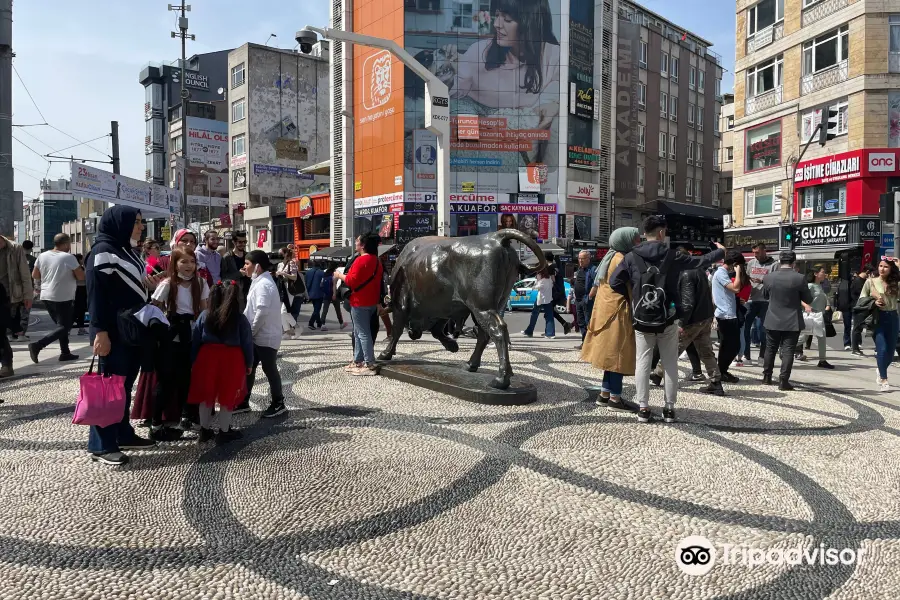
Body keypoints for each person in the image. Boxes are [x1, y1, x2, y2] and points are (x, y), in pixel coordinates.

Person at [609, 215, 724, 424]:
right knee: (670, 363)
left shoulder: (631, 256)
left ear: (645, 233)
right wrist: (720, 251)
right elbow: (700, 261)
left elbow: (614, 281)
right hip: (668, 318)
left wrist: (632, 298)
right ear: (661, 233)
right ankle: (669, 409)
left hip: (642, 319)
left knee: (642, 362)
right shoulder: (672, 256)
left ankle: (643, 408)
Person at [86, 206, 158, 465]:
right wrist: (99, 331)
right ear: (120, 223)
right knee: (109, 389)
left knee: (124, 387)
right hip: (112, 332)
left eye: (141, 222)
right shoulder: (102, 252)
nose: (141, 227)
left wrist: (148, 285)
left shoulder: (127, 249)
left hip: (132, 329)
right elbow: (96, 296)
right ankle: (101, 444)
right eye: (137, 222)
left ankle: (122, 432)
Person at [150, 248, 209, 438]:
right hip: (171, 336)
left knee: (188, 379)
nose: (188, 266)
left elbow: (204, 310)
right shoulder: (168, 284)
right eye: (183, 262)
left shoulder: (200, 282)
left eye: (191, 261)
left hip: (191, 335)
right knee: (166, 380)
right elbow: (155, 309)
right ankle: (156, 424)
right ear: (174, 264)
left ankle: (187, 416)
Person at [581, 227, 641, 412]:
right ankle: (615, 399)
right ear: (626, 240)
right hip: (618, 312)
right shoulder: (622, 259)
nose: (638, 242)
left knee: (610, 354)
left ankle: (604, 394)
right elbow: (631, 287)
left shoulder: (609, 257)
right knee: (618, 355)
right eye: (636, 239)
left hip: (605, 312)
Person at [651, 247, 723, 395]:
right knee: (706, 351)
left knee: (672, 349)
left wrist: (682, 323)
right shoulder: (699, 271)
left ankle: (658, 374)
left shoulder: (685, 274)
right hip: (705, 317)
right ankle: (716, 381)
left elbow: (688, 302)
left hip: (692, 320)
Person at [189, 280, 253, 444]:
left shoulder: (205, 315)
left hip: (206, 357)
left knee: (205, 396)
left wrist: (193, 360)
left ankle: (204, 430)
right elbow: (247, 343)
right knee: (228, 396)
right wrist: (249, 363)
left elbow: (195, 339)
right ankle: (224, 431)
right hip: (232, 359)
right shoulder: (239, 318)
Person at [240, 250, 287, 416]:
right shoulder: (259, 280)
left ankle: (278, 402)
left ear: (257, 267)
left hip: (265, 335)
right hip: (256, 335)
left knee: (269, 368)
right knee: (249, 368)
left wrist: (251, 331)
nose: (244, 267)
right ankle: (243, 401)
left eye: (247, 264)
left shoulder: (264, 284)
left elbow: (262, 311)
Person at [761, 251, 813, 391]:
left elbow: (765, 295)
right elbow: (808, 299)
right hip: (792, 320)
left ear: (779, 261)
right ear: (794, 262)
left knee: (770, 348)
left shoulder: (769, 277)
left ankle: (766, 377)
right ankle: (783, 381)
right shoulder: (799, 278)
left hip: (772, 318)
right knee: (788, 350)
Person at [28, 233, 81, 364]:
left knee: (60, 325)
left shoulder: (42, 255)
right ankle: (38, 345)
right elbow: (81, 276)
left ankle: (65, 352)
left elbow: (35, 274)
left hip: (46, 295)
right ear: (65, 244)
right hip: (62, 296)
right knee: (65, 326)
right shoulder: (69, 257)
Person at [335, 233, 383, 375]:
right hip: (371, 301)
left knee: (362, 333)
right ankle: (358, 360)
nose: (355, 242)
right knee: (358, 331)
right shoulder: (377, 261)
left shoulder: (360, 260)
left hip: (359, 301)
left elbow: (351, 281)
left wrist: (339, 275)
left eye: (357, 240)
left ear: (363, 245)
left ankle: (369, 364)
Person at [860, 258, 900, 391]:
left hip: (893, 317)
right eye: (880, 266)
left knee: (890, 351)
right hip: (878, 318)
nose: (882, 269)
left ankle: (880, 368)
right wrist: (874, 302)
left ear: (891, 269)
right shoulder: (870, 282)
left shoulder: (895, 283)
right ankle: (884, 378)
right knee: (881, 349)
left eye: (886, 267)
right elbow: (861, 300)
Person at [712, 250, 748, 383]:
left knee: (732, 346)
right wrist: (738, 272)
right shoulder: (721, 273)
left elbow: (727, 293)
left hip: (729, 314)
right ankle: (721, 371)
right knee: (729, 346)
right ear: (735, 264)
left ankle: (723, 370)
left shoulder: (723, 273)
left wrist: (737, 301)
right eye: (740, 266)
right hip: (725, 315)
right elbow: (735, 288)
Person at [742, 243, 777, 366]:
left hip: (766, 301)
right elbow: (746, 278)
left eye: (757, 252)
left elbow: (776, 282)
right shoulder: (751, 263)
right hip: (751, 300)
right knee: (746, 329)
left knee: (763, 330)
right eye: (754, 252)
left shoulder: (774, 264)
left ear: (764, 251)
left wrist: (762, 280)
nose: (755, 255)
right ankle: (747, 356)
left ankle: (762, 356)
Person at [797, 266, 834, 369]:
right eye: (823, 272)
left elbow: (823, 298)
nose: (825, 274)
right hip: (811, 315)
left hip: (819, 316)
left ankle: (822, 360)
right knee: (803, 337)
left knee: (821, 337)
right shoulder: (810, 286)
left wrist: (827, 306)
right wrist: (806, 306)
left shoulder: (819, 286)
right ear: (816, 274)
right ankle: (786, 348)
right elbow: (800, 298)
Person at [1, 235, 34, 343]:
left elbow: (25, 274)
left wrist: (28, 295)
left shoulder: (15, 248)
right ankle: (15, 332)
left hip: (11, 291)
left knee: (13, 315)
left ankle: (15, 333)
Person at [521, 267, 556, 338]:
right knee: (549, 317)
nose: (536, 275)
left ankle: (529, 331)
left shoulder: (542, 281)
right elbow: (551, 285)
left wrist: (537, 281)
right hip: (548, 300)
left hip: (540, 300)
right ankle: (550, 333)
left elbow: (535, 287)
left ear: (540, 274)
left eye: (537, 274)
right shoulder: (549, 280)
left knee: (534, 315)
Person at [276, 247, 301, 339]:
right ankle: (287, 332)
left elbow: (294, 277)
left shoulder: (292, 263)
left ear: (286, 254)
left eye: (280, 253)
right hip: (281, 289)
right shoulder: (279, 264)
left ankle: (297, 327)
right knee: (281, 312)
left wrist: (283, 274)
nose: (279, 255)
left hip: (289, 290)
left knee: (284, 311)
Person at [573, 251, 596, 350]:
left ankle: (590, 344)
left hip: (586, 300)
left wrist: (589, 297)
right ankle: (584, 342)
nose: (580, 261)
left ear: (588, 259)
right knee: (581, 322)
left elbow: (597, 284)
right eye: (579, 258)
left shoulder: (593, 269)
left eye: (582, 258)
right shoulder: (579, 269)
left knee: (588, 322)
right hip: (578, 300)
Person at [848, 266, 873, 356]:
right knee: (857, 328)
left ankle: (857, 346)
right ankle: (855, 348)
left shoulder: (862, 281)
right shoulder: (858, 281)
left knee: (861, 327)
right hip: (859, 307)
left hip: (863, 306)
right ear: (867, 272)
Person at [222, 230, 251, 297]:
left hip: (248, 292)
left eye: (245, 242)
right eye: (240, 242)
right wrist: (239, 274)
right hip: (234, 294)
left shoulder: (248, 256)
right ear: (234, 242)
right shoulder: (227, 257)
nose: (243, 244)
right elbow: (223, 278)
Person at [304, 260, 326, 330]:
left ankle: (319, 323)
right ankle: (311, 323)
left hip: (310, 293)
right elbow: (323, 283)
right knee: (317, 310)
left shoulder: (308, 272)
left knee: (316, 309)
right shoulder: (322, 273)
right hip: (319, 293)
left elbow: (306, 282)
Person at [73, 253, 88, 335]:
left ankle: (80, 328)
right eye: (82, 259)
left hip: (78, 290)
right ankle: (80, 328)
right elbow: (83, 278)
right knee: (79, 309)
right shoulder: (78, 269)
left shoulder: (78, 268)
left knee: (79, 310)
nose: (83, 260)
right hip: (80, 289)